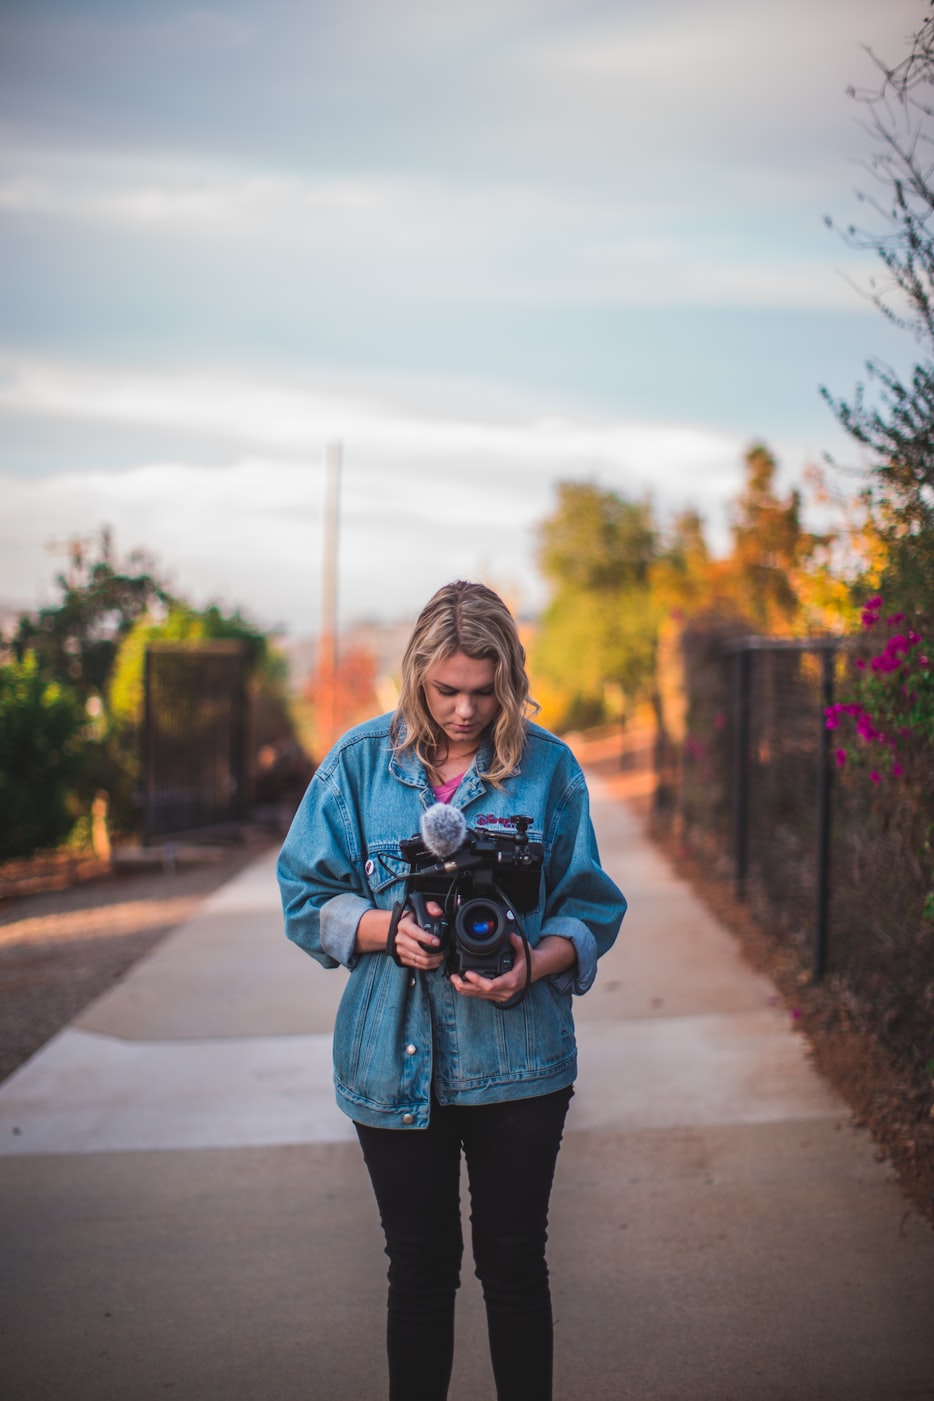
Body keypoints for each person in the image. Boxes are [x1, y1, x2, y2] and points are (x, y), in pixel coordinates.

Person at [277, 580, 626, 1401]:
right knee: (420, 1271)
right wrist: (381, 930)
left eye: (483, 692)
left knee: (513, 1264)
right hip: (388, 1062)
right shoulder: (360, 765)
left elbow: (590, 903)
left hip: (521, 1058)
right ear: (416, 676)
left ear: (508, 680)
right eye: (446, 692)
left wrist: (528, 965)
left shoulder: (549, 768)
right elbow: (302, 892)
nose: (464, 712)